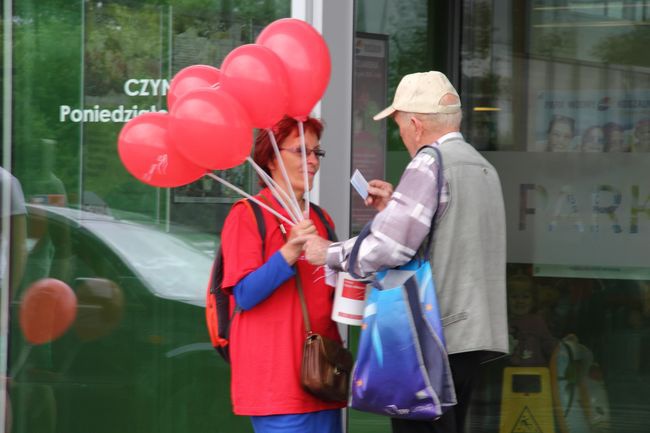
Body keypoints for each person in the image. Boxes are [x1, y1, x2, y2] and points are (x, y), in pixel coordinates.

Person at [300, 71, 508, 433]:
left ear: (415, 124)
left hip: (433, 335)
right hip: (474, 334)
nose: (402, 135)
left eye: (398, 126)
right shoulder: (483, 167)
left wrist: (329, 253)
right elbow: (451, 232)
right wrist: (396, 208)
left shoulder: (430, 161)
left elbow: (389, 248)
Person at [220, 116, 344, 433]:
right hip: (276, 385)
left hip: (323, 378)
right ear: (272, 159)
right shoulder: (247, 214)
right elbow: (245, 295)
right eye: (302, 151)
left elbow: (333, 294)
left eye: (318, 153)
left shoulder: (321, 216)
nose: (313, 161)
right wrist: (289, 252)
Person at [506, 274, 557, 367]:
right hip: (508, 377)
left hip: (537, 376)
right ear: (506, 299)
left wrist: (563, 347)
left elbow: (550, 346)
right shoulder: (503, 322)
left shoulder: (538, 322)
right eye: (514, 296)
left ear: (533, 300)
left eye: (525, 296)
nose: (520, 301)